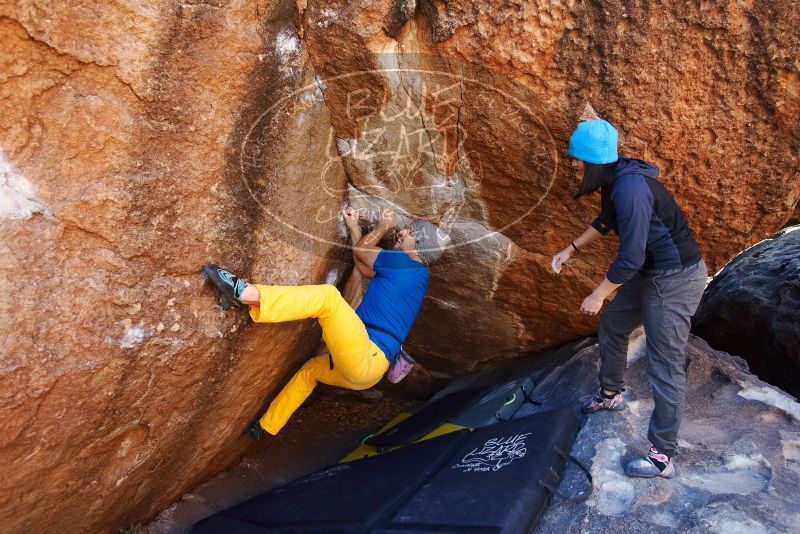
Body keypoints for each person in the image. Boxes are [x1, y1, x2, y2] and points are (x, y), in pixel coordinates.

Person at [203, 206, 449, 438]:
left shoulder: (407, 264)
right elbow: (364, 267)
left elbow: (363, 252)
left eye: (411, 232)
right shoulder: (414, 275)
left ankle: (247, 295)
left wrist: (384, 226)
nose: (403, 232)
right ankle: (267, 426)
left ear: (420, 246)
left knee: (329, 298)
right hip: (367, 370)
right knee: (310, 372)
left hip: (366, 353)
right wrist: (354, 229)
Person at [551, 118, 708, 478]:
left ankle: (662, 456)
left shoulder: (631, 189)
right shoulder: (615, 179)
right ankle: (610, 394)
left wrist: (598, 293)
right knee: (614, 323)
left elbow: (631, 256)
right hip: (652, 273)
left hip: (676, 279)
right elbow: (606, 221)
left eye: (576, 159)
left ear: (593, 160)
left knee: (664, 364)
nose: (573, 164)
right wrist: (570, 249)